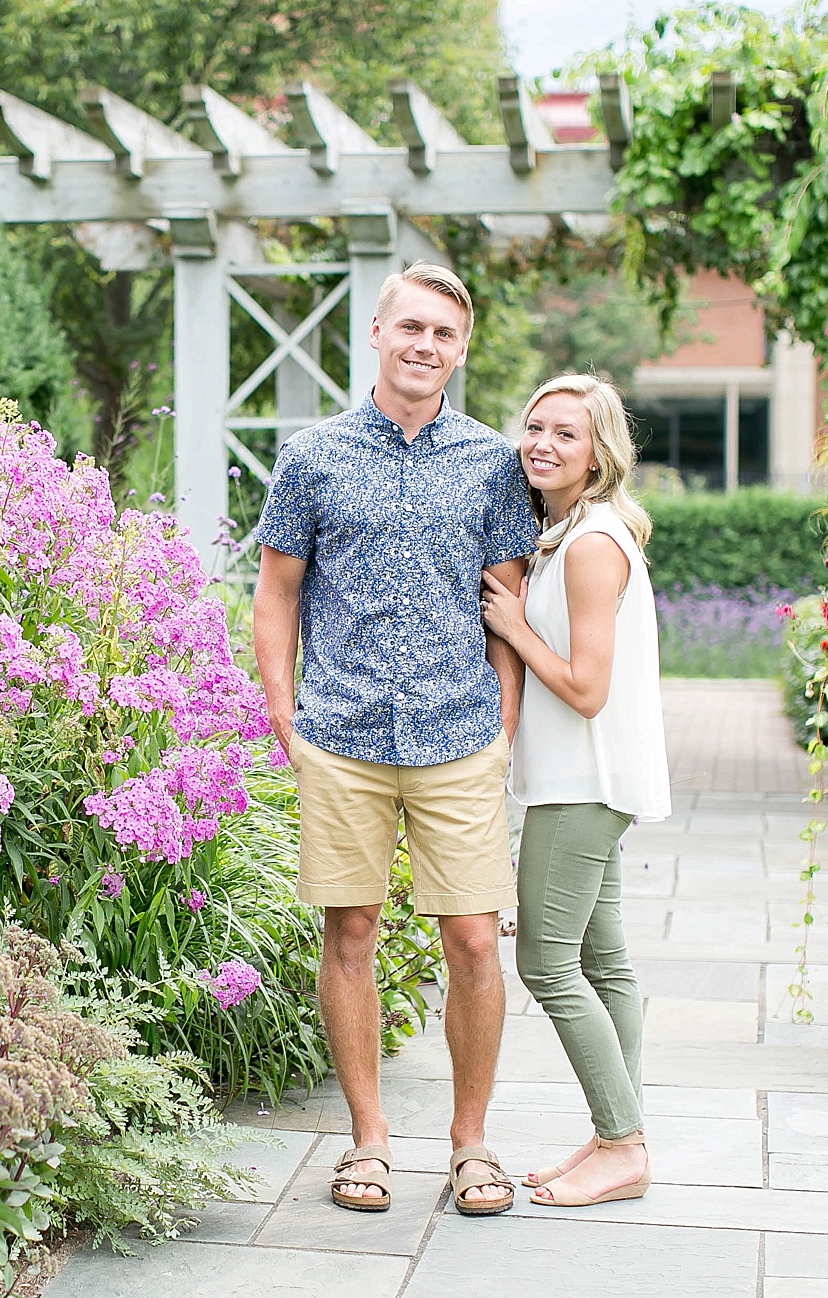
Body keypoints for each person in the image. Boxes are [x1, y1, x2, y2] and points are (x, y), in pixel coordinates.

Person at [252, 262, 537, 1217]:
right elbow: (277, 591)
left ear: (461, 350)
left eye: (445, 335)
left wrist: (503, 721)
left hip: (459, 734)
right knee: (352, 930)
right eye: (410, 327)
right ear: (375, 332)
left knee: (472, 941)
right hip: (343, 733)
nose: (425, 347)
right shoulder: (311, 456)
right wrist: (285, 715)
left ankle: (470, 1144)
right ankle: (368, 1141)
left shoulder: (495, 462)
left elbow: (508, 601)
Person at [479, 374, 671, 1208]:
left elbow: (587, 688)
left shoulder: (591, 544)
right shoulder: (569, 533)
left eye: (566, 433)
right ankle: (613, 1134)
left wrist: (514, 624)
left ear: (599, 455)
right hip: (590, 778)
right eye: (534, 427)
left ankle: (622, 1144)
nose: (543, 444)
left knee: (546, 962)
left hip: (582, 782)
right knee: (604, 961)